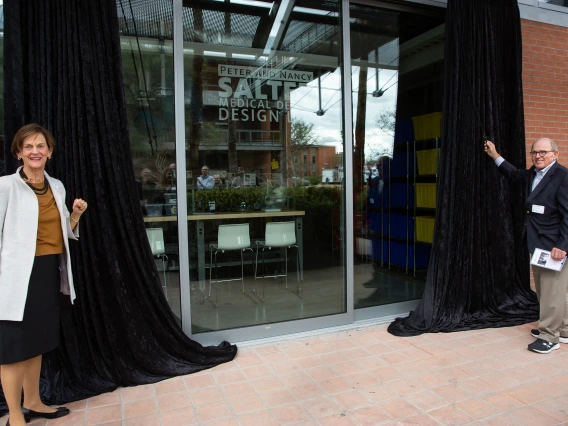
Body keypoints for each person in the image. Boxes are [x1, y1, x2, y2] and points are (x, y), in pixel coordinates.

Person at [0, 124, 88, 426]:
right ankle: (14, 416)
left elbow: (63, 233)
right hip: (14, 279)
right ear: (18, 152)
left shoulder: (57, 186)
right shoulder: (5, 187)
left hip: (47, 272)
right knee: (12, 349)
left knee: (36, 343)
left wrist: (74, 215)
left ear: (49, 152)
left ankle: (34, 401)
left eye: (40, 146)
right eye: (28, 147)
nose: (35, 151)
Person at [485, 137, 568, 354]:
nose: (538, 156)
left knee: (551, 292)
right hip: (538, 244)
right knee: (549, 291)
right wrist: (494, 154)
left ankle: (550, 337)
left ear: (555, 154)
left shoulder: (563, 176)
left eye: (543, 152)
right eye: (534, 152)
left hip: (554, 247)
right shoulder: (533, 174)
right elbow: (512, 173)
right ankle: (564, 329)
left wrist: (563, 245)